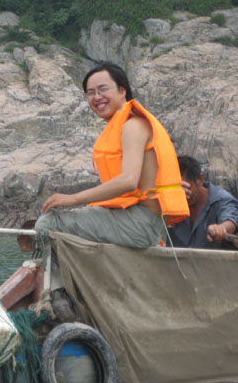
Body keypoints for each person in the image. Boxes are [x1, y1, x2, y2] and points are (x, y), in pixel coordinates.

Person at [34, 61, 189, 249]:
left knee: (48, 223)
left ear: (122, 91)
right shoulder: (123, 125)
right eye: (91, 93)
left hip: (141, 223)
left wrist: (74, 198)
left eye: (103, 89)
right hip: (133, 218)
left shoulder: (133, 125)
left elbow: (128, 181)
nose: (97, 97)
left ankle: (66, 270)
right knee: (74, 219)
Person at [167, 156, 238, 249]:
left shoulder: (222, 200)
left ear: (200, 180)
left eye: (187, 188)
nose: (183, 194)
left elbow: (231, 219)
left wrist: (220, 229)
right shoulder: (168, 201)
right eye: (178, 190)